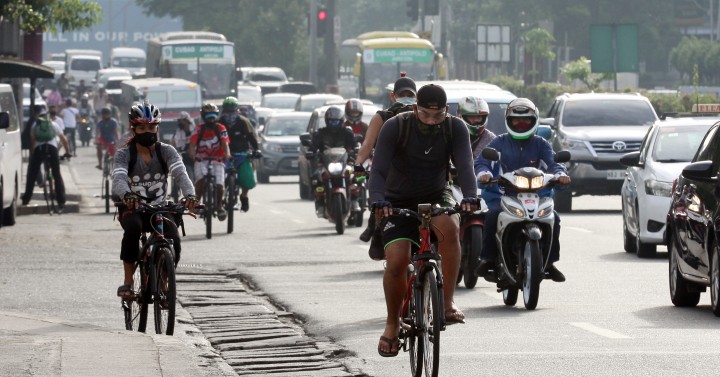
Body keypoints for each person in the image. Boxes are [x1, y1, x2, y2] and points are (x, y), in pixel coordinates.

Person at [369, 84, 478, 357]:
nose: (431, 120)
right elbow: (379, 168)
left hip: (435, 194)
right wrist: (378, 200)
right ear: (415, 108)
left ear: (447, 111)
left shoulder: (456, 128)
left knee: (450, 228)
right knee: (397, 260)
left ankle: (447, 302)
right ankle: (392, 323)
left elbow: (465, 166)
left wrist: (471, 196)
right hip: (396, 200)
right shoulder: (396, 126)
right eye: (425, 114)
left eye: (437, 115)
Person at [474, 98, 571, 283]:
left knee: (555, 218)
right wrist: (484, 174)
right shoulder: (499, 142)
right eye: (516, 121)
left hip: (539, 195)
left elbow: (554, 164)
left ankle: (549, 262)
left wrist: (560, 175)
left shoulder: (541, 144)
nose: (521, 124)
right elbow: (482, 162)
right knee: (492, 215)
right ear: (508, 121)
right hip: (502, 195)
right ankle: (487, 259)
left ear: (534, 121)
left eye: (526, 120)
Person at [112, 100, 197, 298]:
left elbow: (180, 174)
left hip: (160, 207)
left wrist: (190, 195)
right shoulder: (124, 154)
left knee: (174, 239)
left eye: (151, 126)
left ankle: (164, 281)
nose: (147, 131)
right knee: (132, 229)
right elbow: (118, 179)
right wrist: (127, 195)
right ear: (134, 129)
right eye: (142, 127)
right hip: (133, 206)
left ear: (157, 126)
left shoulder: (166, 151)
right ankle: (127, 282)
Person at [356, 76, 417, 250]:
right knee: (381, 200)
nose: (406, 97)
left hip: (419, 172)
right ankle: (376, 229)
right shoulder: (382, 117)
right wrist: (359, 164)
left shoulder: (423, 117)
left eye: (410, 94)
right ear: (393, 97)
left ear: (417, 98)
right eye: (402, 94)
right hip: (389, 171)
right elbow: (367, 144)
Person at [310, 106, 355, 217]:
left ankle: (355, 200)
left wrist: (354, 153)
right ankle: (320, 202)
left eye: (336, 121)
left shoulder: (347, 132)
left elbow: (353, 147)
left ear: (341, 121)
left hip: (345, 165)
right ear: (326, 121)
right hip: (325, 165)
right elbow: (313, 147)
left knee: (358, 176)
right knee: (315, 179)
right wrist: (311, 152)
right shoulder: (320, 133)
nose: (333, 124)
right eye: (331, 121)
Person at [188, 103, 231, 221]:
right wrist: (192, 154)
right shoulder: (198, 129)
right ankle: (197, 202)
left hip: (218, 159)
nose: (211, 119)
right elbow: (192, 145)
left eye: (213, 116)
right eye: (208, 116)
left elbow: (225, 143)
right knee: (200, 180)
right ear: (203, 117)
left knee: (220, 184)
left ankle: (219, 206)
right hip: (201, 160)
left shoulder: (221, 128)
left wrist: (227, 154)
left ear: (216, 116)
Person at [21, 110, 72, 210]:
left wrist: (32, 154)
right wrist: (68, 151)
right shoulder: (54, 124)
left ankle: (26, 199)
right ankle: (61, 200)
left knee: (32, 174)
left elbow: (32, 141)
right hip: (52, 149)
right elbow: (63, 139)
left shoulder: (35, 125)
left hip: (39, 149)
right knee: (56, 174)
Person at [220, 97, 261, 212]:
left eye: (232, 111)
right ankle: (220, 198)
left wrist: (256, 150)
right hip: (222, 155)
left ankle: (243, 196)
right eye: (227, 112)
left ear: (236, 110)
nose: (229, 115)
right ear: (223, 111)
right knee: (218, 178)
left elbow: (251, 138)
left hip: (242, 154)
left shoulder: (244, 121)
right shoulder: (218, 123)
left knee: (247, 178)